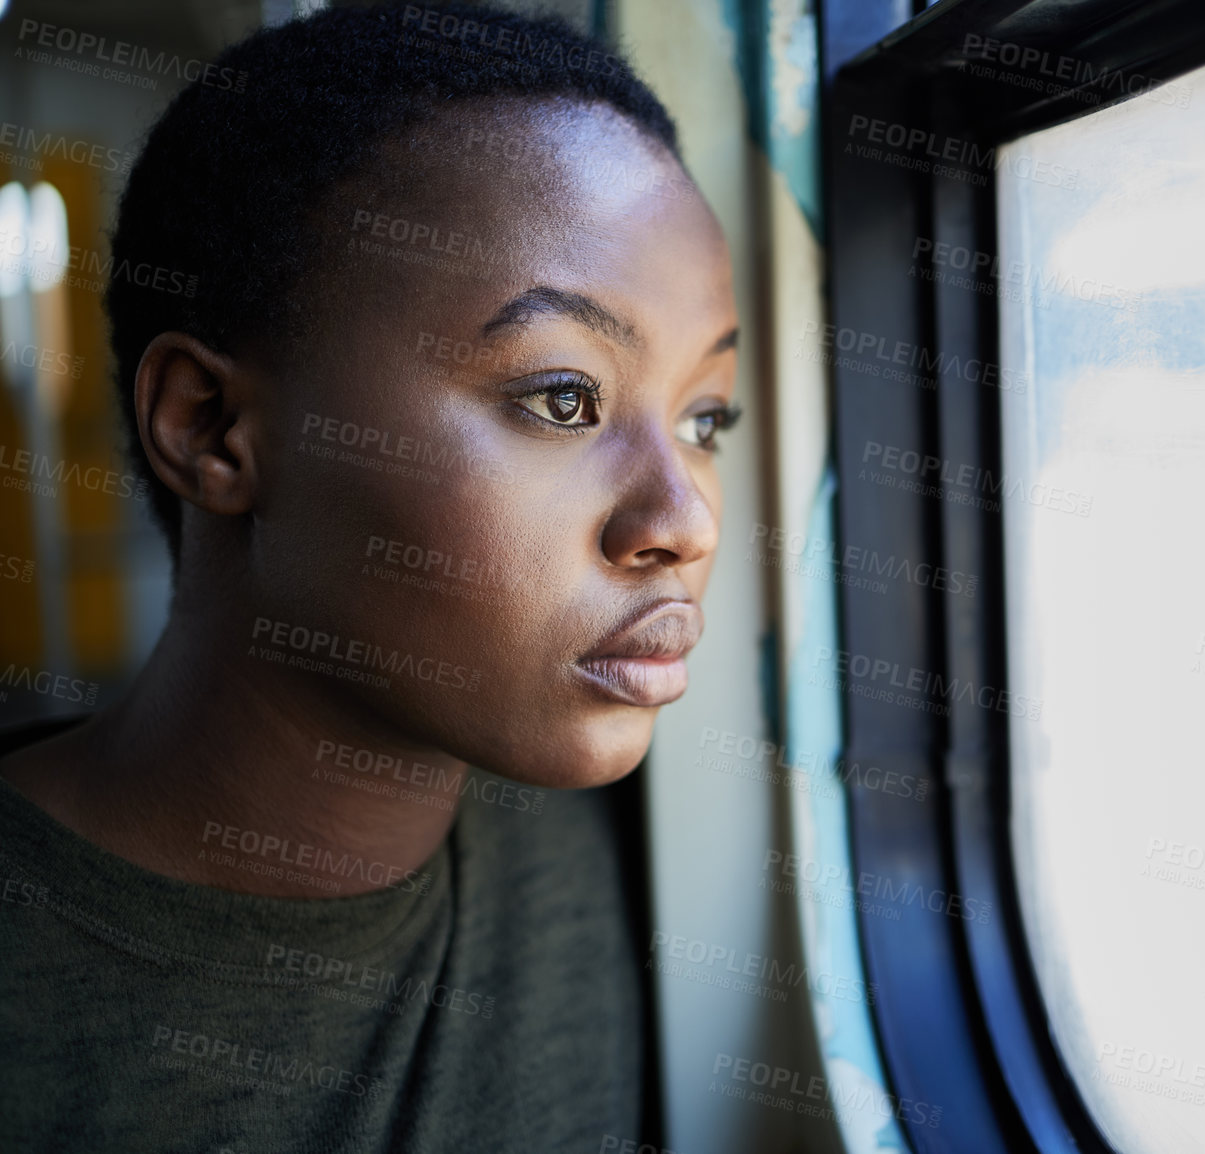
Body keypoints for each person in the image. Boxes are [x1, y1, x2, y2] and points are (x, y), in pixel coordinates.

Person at [0, 3, 739, 1149]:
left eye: (706, 417)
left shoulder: (614, 840)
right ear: (213, 428)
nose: (683, 520)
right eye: (561, 396)